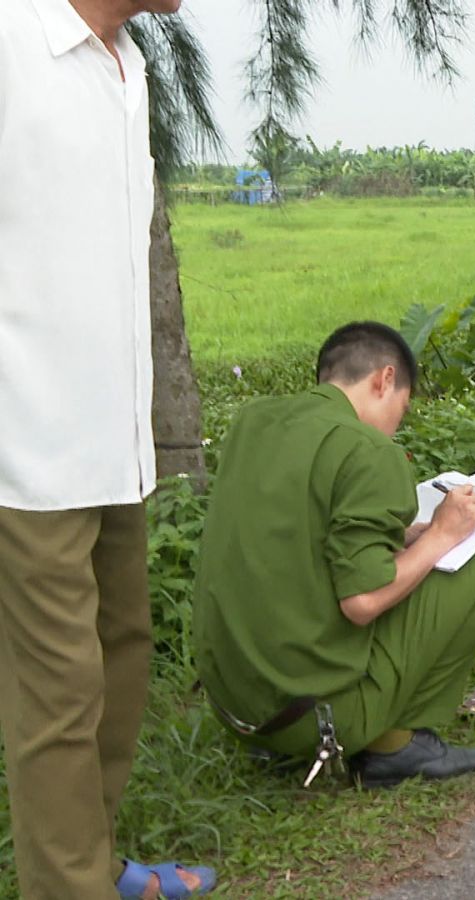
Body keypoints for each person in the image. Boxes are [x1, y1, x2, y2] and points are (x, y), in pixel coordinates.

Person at [0, 0, 217, 896]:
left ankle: (86, 858)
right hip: (26, 437)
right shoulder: (12, 43)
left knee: (121, 654)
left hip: (111, 439)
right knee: (59, 694)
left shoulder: (123, 65)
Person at [192, 323, 475, 790]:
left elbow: (299, 521)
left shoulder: (254, 421)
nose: (396, 425)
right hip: (314, 718)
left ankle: (313, 737)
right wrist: (441, 535)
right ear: (385, 379)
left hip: (239, 710)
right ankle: (394, 745)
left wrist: (405, 534)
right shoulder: (367, 448)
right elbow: (362, 603)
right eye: (401, 410)